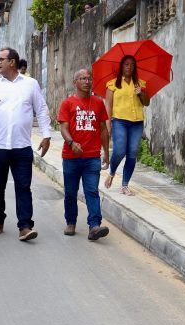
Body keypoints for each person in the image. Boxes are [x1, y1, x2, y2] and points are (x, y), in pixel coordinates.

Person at [0, 47, 52, 241]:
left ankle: (25, 226)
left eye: (1, 59)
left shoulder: (30, 84)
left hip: (22, 147)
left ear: (12, 62)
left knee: (23, 186)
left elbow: (41, 110)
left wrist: (46, 135)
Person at [56, 68, 110, 241]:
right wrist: (71, 143)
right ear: (75, 82)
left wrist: (106, 153)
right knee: (71, 192)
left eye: (89, 78)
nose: (87, 81)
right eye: (83, 78)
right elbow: (63, 127)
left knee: (91, 191)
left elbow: (103, 129)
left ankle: (94, 225)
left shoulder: (98, 103)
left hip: (92, 156)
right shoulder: (68, 103)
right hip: (71, 157)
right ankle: (70, 222)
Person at [104, 55, 150, 196]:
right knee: (119, 150)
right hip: (120, 121)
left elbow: (146, 103)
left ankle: (125, 185)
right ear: (121, 67)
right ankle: (111, 173)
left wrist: (141, 93)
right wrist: (108, 125)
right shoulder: (113, 84)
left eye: (132, 65)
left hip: (137, 122)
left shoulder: (140, 84)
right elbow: (108, 106)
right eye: (126, 64)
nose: (129, 67)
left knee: (132, 153)